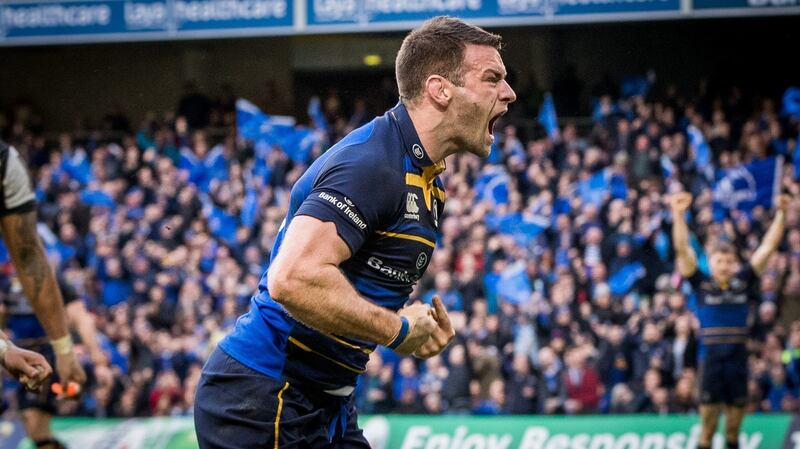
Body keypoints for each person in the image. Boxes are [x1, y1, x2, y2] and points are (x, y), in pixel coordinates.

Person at [194, 16, 516, 448]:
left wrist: (411, 331)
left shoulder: (426, 180)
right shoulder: (372, 164)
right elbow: (292, 279)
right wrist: (397, 331)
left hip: (325, 402)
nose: (509, 93)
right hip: (264, 397)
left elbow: (352, 290)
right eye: (492, 78)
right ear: (440, 89)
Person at [669, 191, 788, 449]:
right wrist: (678, 215)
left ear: (735, 264)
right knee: (707, 429)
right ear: (710, 263)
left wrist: (781, 214)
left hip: (737, 360)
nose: (724, 265)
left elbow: (767, 248)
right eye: (719, 261)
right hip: (711, 360)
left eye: (728, 261)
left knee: (733, 430)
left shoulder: (742, 282)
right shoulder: (701, 284)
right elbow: (682, 248)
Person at [0, 140, 87, 449]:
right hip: (16, 351)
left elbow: (79, 314)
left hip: (40, 354)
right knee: (31, 424)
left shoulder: (5, 164)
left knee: (35, 424)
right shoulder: (6, 281)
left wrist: (67, 350)